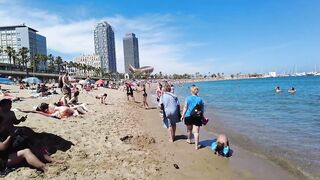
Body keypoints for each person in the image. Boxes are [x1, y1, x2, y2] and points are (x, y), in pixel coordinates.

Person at [181, 85, 204, 150]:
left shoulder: (188, 98)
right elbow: (202, 109)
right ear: (197, 91)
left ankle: (189, 140)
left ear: (191, 91)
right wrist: (202, 116)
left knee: (189, 130)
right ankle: (196, 146)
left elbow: (185, 107)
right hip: (197, 116)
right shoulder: (200, 99)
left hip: (188, 116)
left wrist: (182, 115)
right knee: (196, 132)